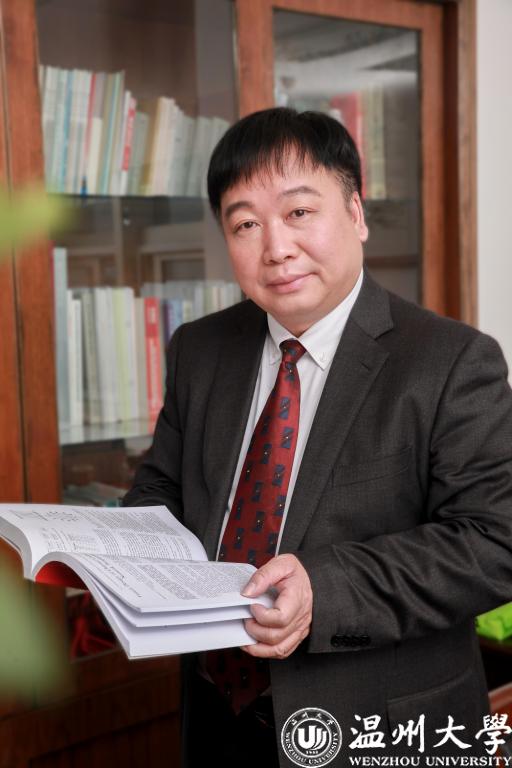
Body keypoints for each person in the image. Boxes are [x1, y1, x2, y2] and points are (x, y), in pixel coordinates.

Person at [123, 107, 512, 767]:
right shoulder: (200, 349)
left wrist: (323, 590)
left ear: (356, 214)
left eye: (299, 212)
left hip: (378, 724)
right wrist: (110, 555)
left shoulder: (450, 361)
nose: (275, 247)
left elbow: (494, 541)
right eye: (246, 224)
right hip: (219, 717)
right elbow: (164, 488)